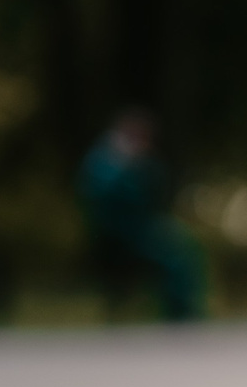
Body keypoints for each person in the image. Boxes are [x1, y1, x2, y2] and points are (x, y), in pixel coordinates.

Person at [77, 110, 205, 322]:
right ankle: (179, 314)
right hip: (118, 231)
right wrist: (129, 166)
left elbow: (157, 188)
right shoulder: (105, 159)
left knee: (186, 244)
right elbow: (103, 198)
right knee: (174, 257)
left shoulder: (139, 160)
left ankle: (184, 311)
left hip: (142, 228)